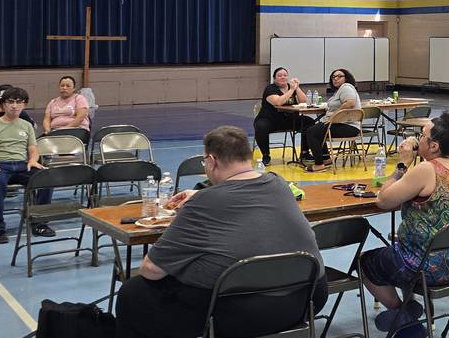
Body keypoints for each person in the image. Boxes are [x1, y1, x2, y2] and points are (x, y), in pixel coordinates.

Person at [116, 126, 328, 338]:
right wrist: (203, 195)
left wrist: (201, 199)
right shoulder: (279, 184)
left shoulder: (203, 202)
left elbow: (151, 270)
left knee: (133, 293)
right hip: (305, 299)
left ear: (211, 161)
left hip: (238, 311)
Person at [361, 112, 449, 332]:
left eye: (422, 135)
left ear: (433, 146)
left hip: (427, 268)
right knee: (401, 248)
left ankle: (403, 314)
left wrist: (402, 164)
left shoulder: (426, 169)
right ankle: (409, 307)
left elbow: (383, 200)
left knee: (367, 262)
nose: (417, 139)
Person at [0, 86, 52, 244]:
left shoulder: (27, 125)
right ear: (4, 105)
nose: (14, 105)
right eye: (10, 102)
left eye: (19, 102)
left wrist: (33, 160)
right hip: (0, 166)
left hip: (23, 166)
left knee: (46, 178)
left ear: (24, 104)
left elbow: (33, 150)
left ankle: (39, 222)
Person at [302, 69, 363, 171]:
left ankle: (319, 164)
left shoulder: (346, 87)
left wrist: (334, 115)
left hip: (349, 126)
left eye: (339, 76)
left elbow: (350, 103)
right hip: (343, 124)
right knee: (316, 129)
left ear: (346, 78)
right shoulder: (339, 91)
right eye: (333, 77)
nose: (335, 79)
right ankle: (326, 159)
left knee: (312, 132)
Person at [253, 67, 309, 167]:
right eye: (279, 76)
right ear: (274, 78)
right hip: (270, 119)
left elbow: (303, 101)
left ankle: (305, 153)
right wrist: (291, 90)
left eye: (285, 75)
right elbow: (278, 102)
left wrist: (297, 88)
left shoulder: (291, 87)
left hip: (288, 119)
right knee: (261, 126)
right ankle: (266, 155)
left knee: (309, 123)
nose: (283, 77)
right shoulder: (270, 89)